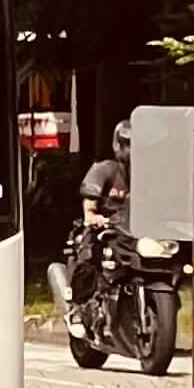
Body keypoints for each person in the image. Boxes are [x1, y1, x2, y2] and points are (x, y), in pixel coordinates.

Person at [68, 121, 133, 309]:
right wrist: (92, 216)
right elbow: (90, 201)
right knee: (88, 260)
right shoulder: (105, 169)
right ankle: (78, 308)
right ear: (118, 145)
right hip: (105, 230)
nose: (132, 150)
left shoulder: (147, 174)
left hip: (134, 233)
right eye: (127, 144)